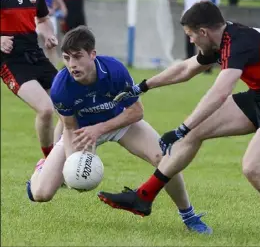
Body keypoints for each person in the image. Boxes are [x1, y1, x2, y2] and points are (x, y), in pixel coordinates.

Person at [98, 1, 260, 245]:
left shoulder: (238, 43)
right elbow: (185, 69)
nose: (191, 41)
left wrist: (182, 128)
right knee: (194, 134)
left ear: (203, 32)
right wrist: (143, 86)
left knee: (253, 168)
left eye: (191, 35)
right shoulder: (220, 40)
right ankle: (144, 197)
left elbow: (220, 92)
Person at [26, 25, 212, 235]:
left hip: (121, 122)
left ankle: (189, 216)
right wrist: (72, 164)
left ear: (92, 54)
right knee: (41, 194)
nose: (72, 64)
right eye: (67, 58)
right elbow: (69, 127)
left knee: (165, 157)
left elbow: (136, 112)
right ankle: (41, 168)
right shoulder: (61, 86)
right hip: (82, 132)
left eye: (78, 57)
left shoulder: (114, 70)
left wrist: (99, 129)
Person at [1, 0, 63, 159]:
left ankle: (59, 160)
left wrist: (48, 34)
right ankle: (48, 160)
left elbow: (42, 20)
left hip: (35, 54)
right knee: (46, 109)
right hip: (10, 60)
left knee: (71, 106)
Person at [37, 0, 68, 67]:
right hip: (38, 16)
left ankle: (53, 68)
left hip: (50, 18)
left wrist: (59, 10)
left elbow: (63, 8)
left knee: (51, 45)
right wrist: (44, 9)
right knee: (38, 45)